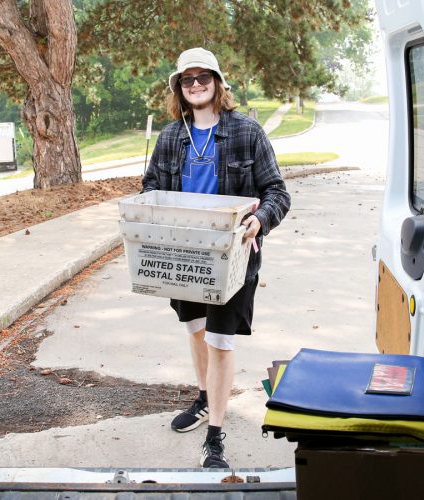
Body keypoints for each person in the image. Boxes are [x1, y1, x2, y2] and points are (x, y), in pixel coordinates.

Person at [142, 47, 291, 468]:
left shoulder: (247, 132)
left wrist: (259, 221)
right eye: (186, 80)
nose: (195, 85)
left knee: (220, 341)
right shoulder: (172, 136)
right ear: (179, 88)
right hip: (183, 254)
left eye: (202, 77)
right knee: (195, 330)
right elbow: (151, 184)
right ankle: (206, 397)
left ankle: (215, 436)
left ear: (218, 82)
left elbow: (277, 192)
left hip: (234, 255)